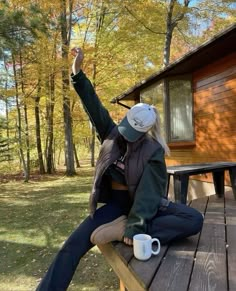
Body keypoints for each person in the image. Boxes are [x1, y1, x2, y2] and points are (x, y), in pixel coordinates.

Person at [36, 48, 203, 291]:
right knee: (72, 245)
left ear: (146, 131)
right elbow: (94, 107)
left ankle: (123, 230)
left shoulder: (153, 151)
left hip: (143, 207)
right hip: (115, 204)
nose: (127, 136)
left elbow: (148, 196)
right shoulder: (111, 133)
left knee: (194, 220)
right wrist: (77, 73)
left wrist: (135, 225)